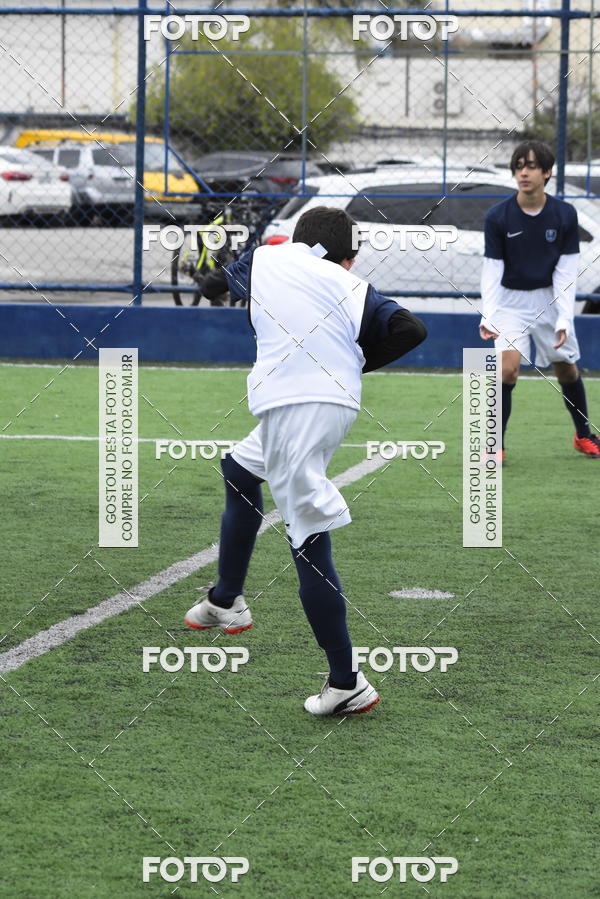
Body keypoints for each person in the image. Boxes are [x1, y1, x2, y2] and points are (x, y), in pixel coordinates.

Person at [184, 206, 427, 715]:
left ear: (296, 239)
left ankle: (346, 681)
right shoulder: (348, 285)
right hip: (317, 403)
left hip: (300, 404)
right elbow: (410, 329)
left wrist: (209, 278)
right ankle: (226, 599)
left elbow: (212, 286)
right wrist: (354, 362)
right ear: (349, 257)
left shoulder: (268, 258)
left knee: (308, 537)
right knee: (239, 470)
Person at [479, 139, 600, 459]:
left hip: (549, 301)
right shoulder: (497, 217)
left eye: (531, 166)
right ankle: (496, 445)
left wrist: (563, 318)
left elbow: (565, 272)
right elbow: (492, 270)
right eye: (519, 166)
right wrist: (488, 314)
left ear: (547, 172)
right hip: (509, 304)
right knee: (507, 370)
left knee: (567, 370)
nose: (524, 172)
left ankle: (583, 435)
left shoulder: (564, 214)